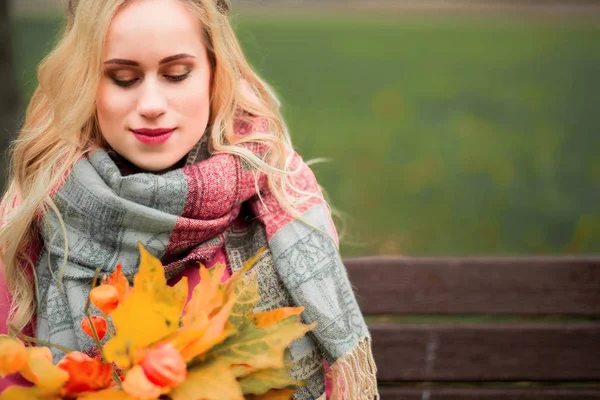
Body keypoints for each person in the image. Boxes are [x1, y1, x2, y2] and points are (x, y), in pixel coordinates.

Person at [0, 0, 378, 398]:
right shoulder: (39, 210)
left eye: (176, 74)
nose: (151, 106)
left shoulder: (280, 198)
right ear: (85, 80)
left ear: (215, 73)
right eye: (123, 78)